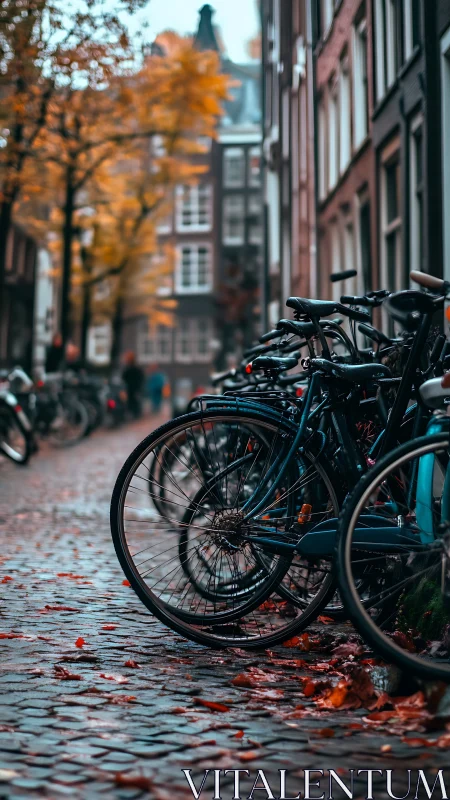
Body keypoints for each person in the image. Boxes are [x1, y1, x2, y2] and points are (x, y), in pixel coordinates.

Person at [122, 351, 145, 418]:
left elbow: (124, 377)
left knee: (134, 403)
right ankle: (134, 415)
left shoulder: (130, 369)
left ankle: (135, 415)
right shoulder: (131, 368)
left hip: (133, 389)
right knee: (133, 403)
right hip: (131, 390)